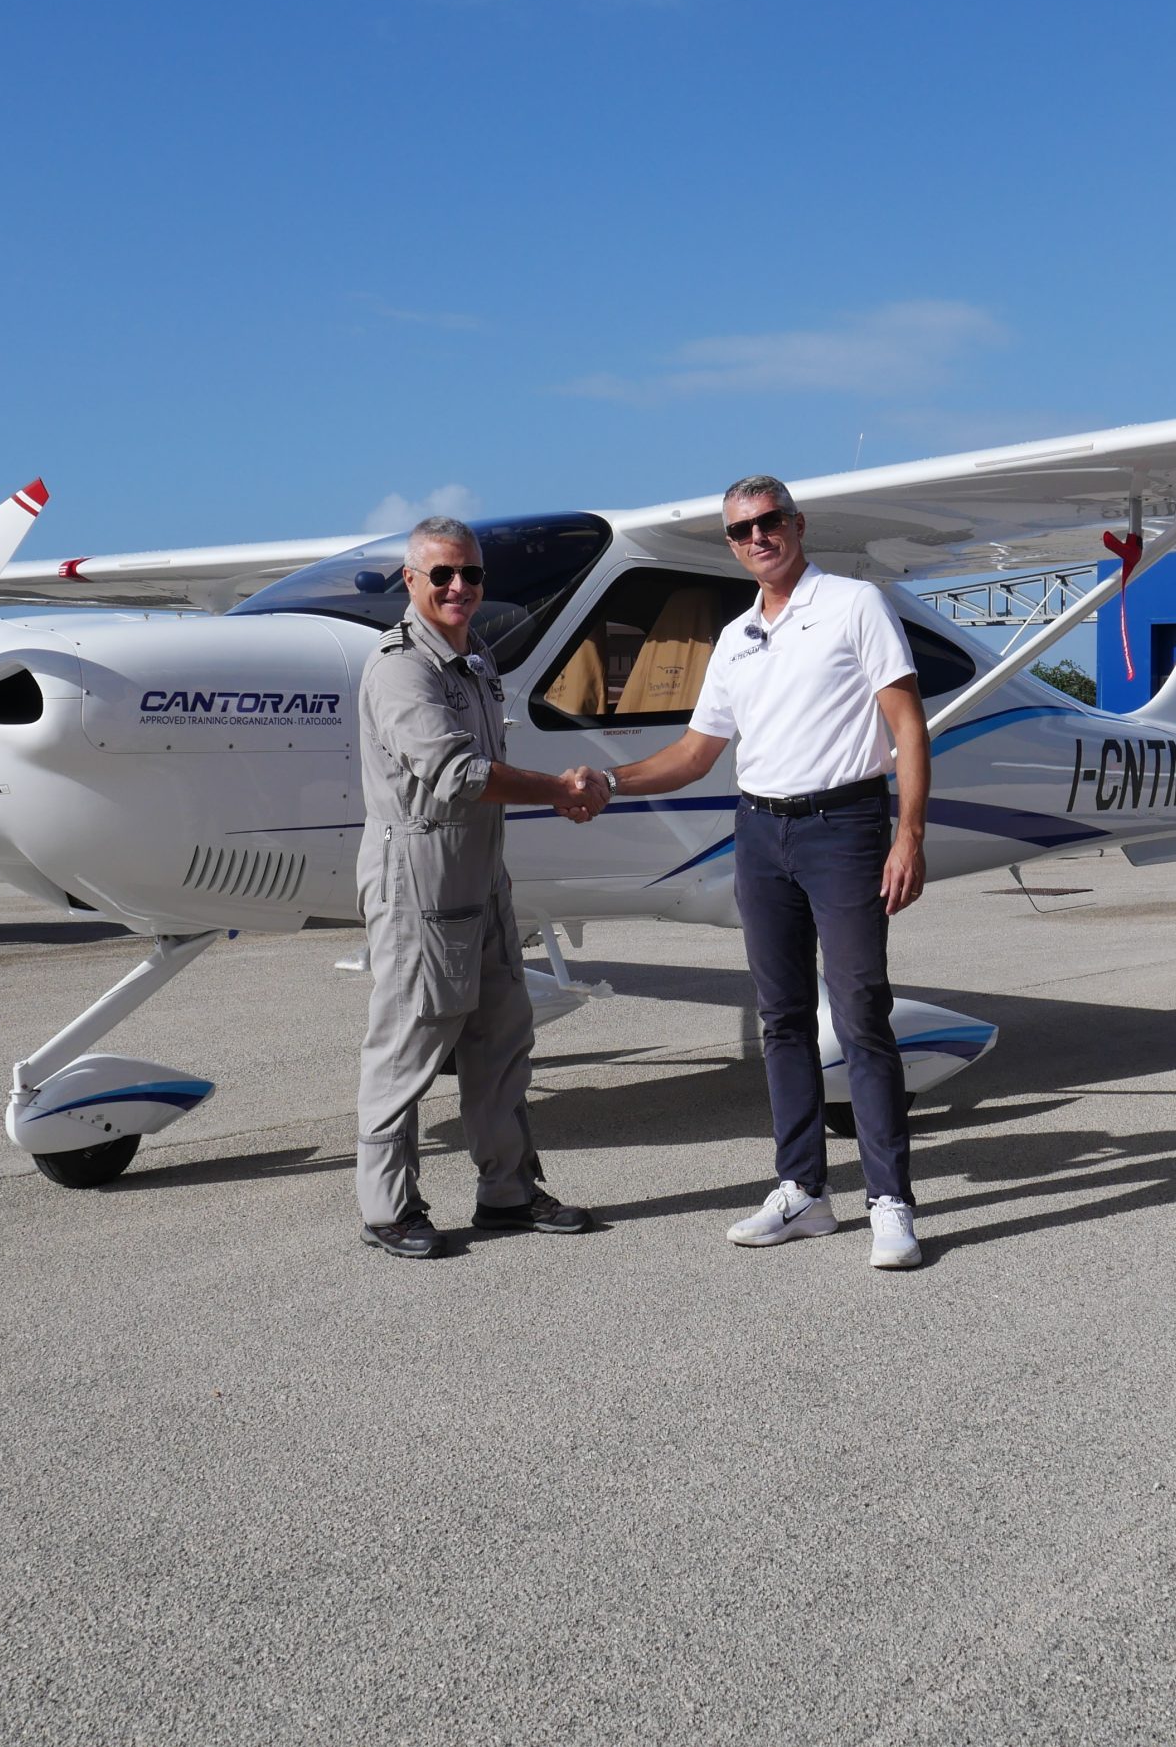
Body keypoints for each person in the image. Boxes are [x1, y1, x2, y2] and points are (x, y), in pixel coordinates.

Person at [580, 475, 931, 1268]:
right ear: (732, 544)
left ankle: (890, 1202)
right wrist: (609, 781)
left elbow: (906, 724)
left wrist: (907, 835)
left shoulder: (853, 604)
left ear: (797, 525)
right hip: (759, 831)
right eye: (741, 531)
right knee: (780, 1019)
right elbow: (696, 753)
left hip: (844, 826)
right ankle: (804, 1191)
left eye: (770, 522)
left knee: (861, 1012)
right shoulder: (737, 637)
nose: (758, 538)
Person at [354, 516, 608, 1259]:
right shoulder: (402, 667)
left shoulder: (475, 657)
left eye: (471, 574)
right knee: (408, 1044)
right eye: (442, 575)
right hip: (421, 877)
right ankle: (387, 1208)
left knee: (502, 1037)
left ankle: (508, 1191)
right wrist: (561, 790)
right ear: (412, 582)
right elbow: (458, 774)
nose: (460, 587)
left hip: (481, 873)